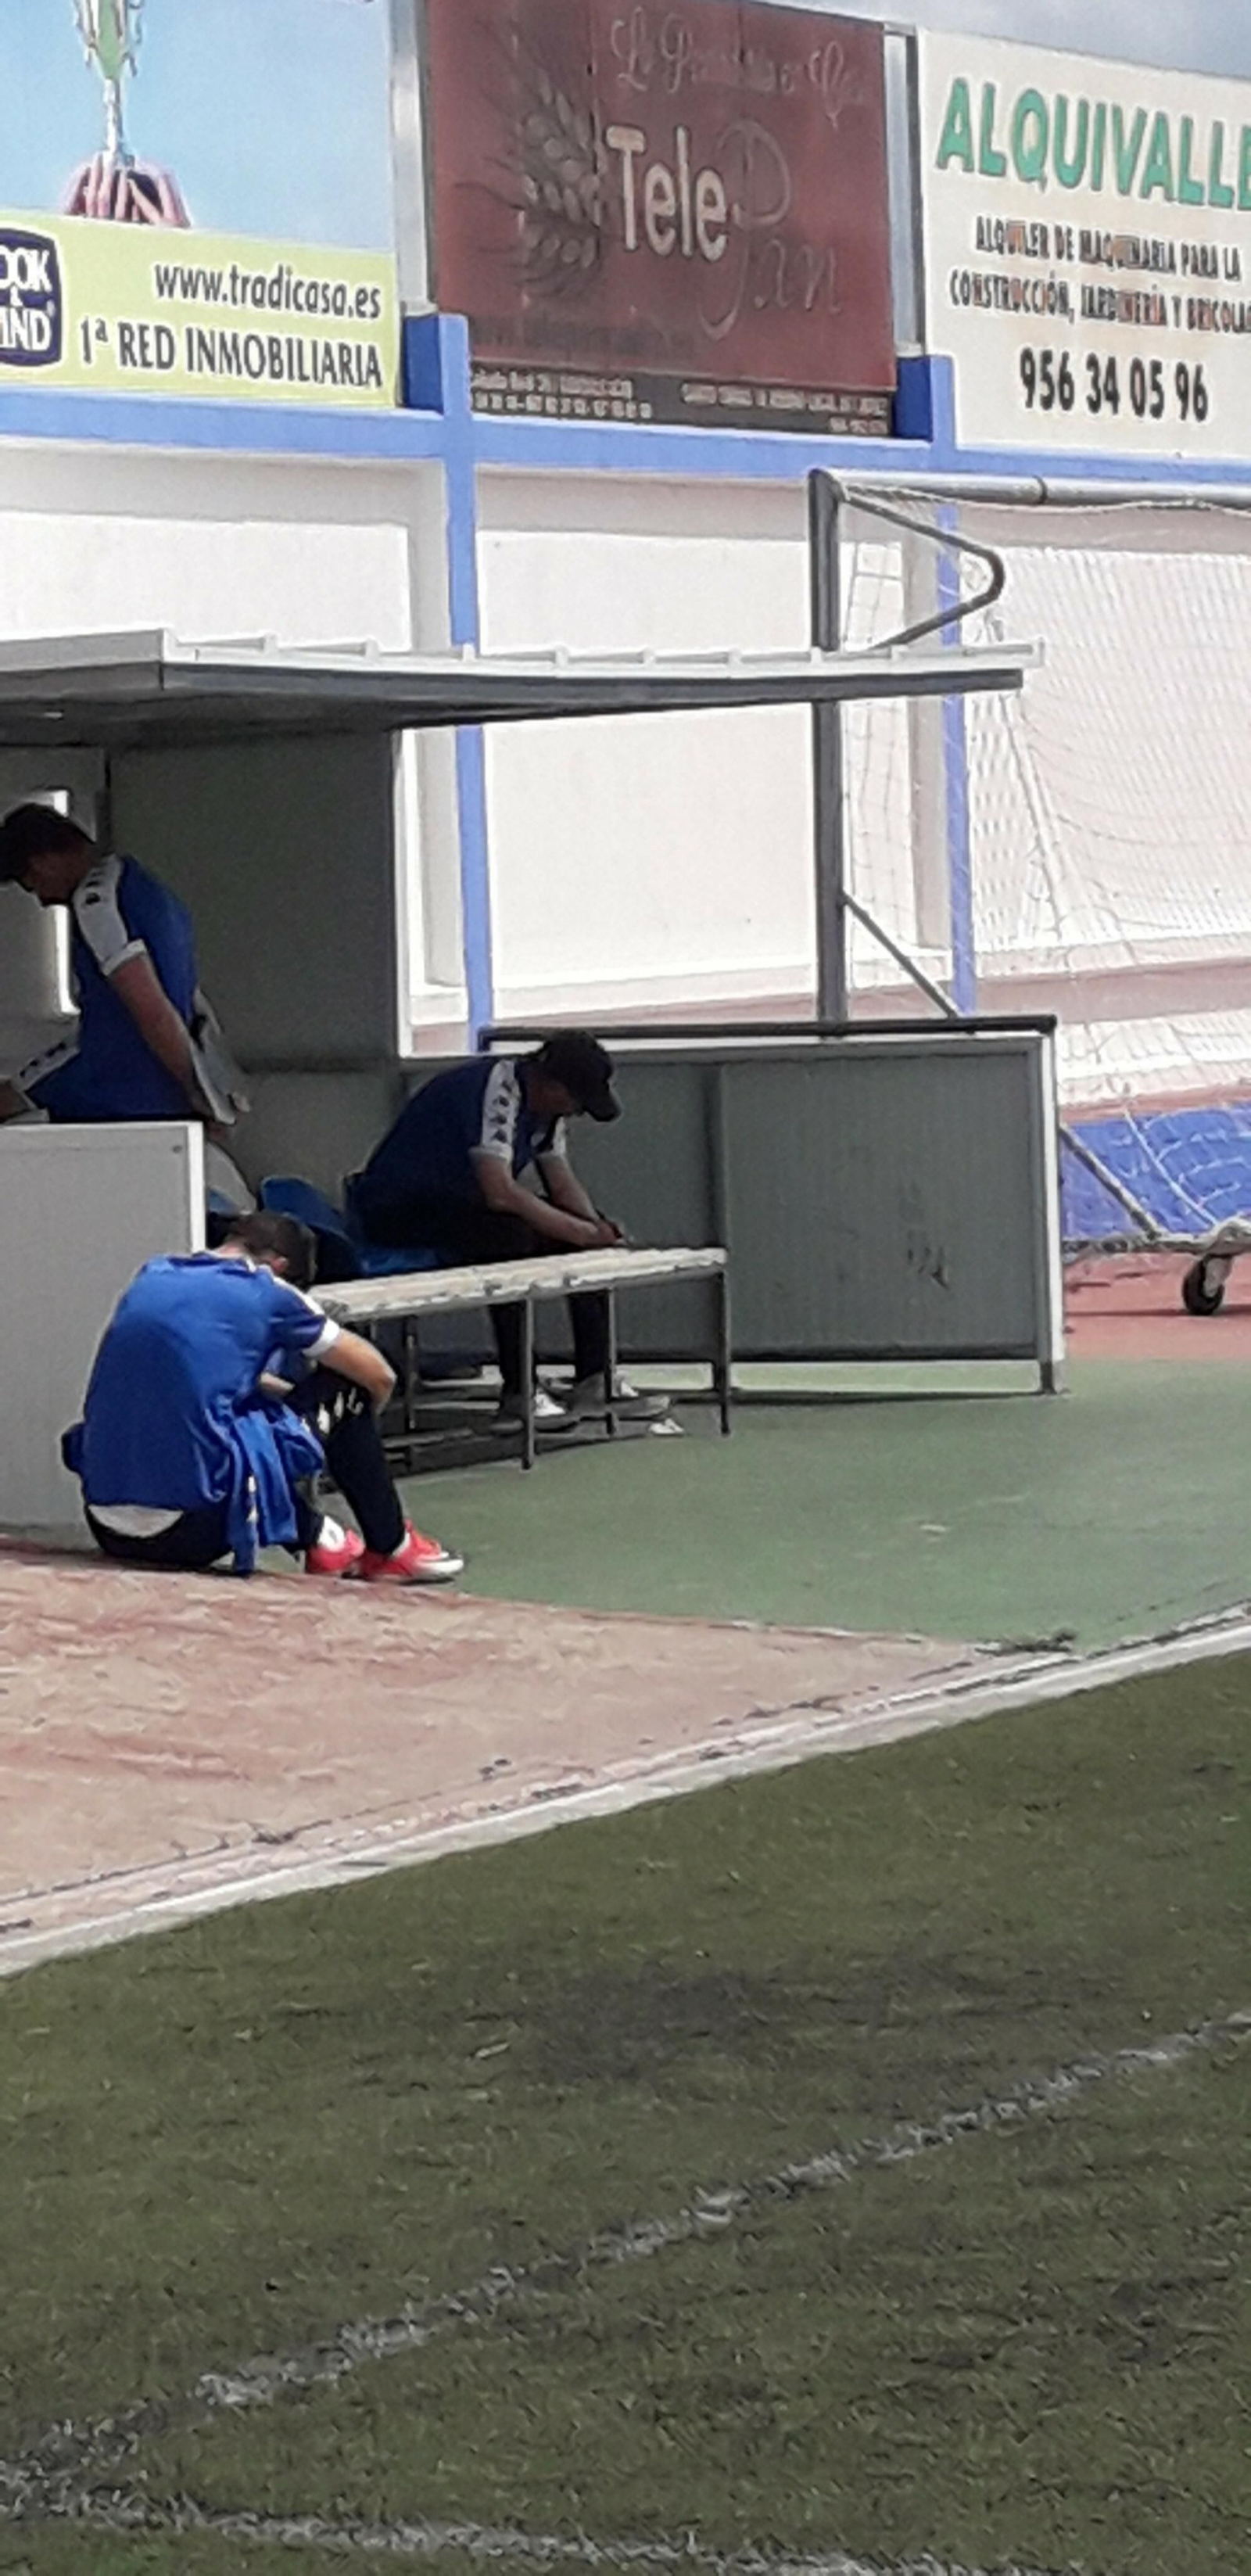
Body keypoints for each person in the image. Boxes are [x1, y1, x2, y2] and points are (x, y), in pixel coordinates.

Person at [63, 1211, 463, 1585]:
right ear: (282, 1267)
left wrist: (283, 1398)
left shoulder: (154, 1275)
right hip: (192, 1531)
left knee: (214, 1429)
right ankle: (392, 1547)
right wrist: (349, 1432)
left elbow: (203, 1384)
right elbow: (378, 1375)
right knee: (349, 1392)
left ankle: (319, 1535)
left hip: (106, 1526)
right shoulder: (269, 1290)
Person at [349, 1033, 665, 1433]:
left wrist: (597, 1229)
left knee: (571, 1235)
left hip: (463, 1207)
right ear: (550, 1085)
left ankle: (595, 1377)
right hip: (397, 1210)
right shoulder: (496, 1091)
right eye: (576, 1103)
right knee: (509, 1237)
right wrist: (583, 1233)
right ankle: (519, 1389)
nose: (575, 1114)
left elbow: (561, 1185)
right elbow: (501, 1193)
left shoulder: (547, 1114)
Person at [0, 802, 244, 1131]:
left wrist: (197, 1097)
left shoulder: (98, 904)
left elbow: (151, 1008)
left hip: (120, 1081)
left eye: (33, 885)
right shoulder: (142, 885)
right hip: (153, 1078)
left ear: (45, 861)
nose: (43, 900)